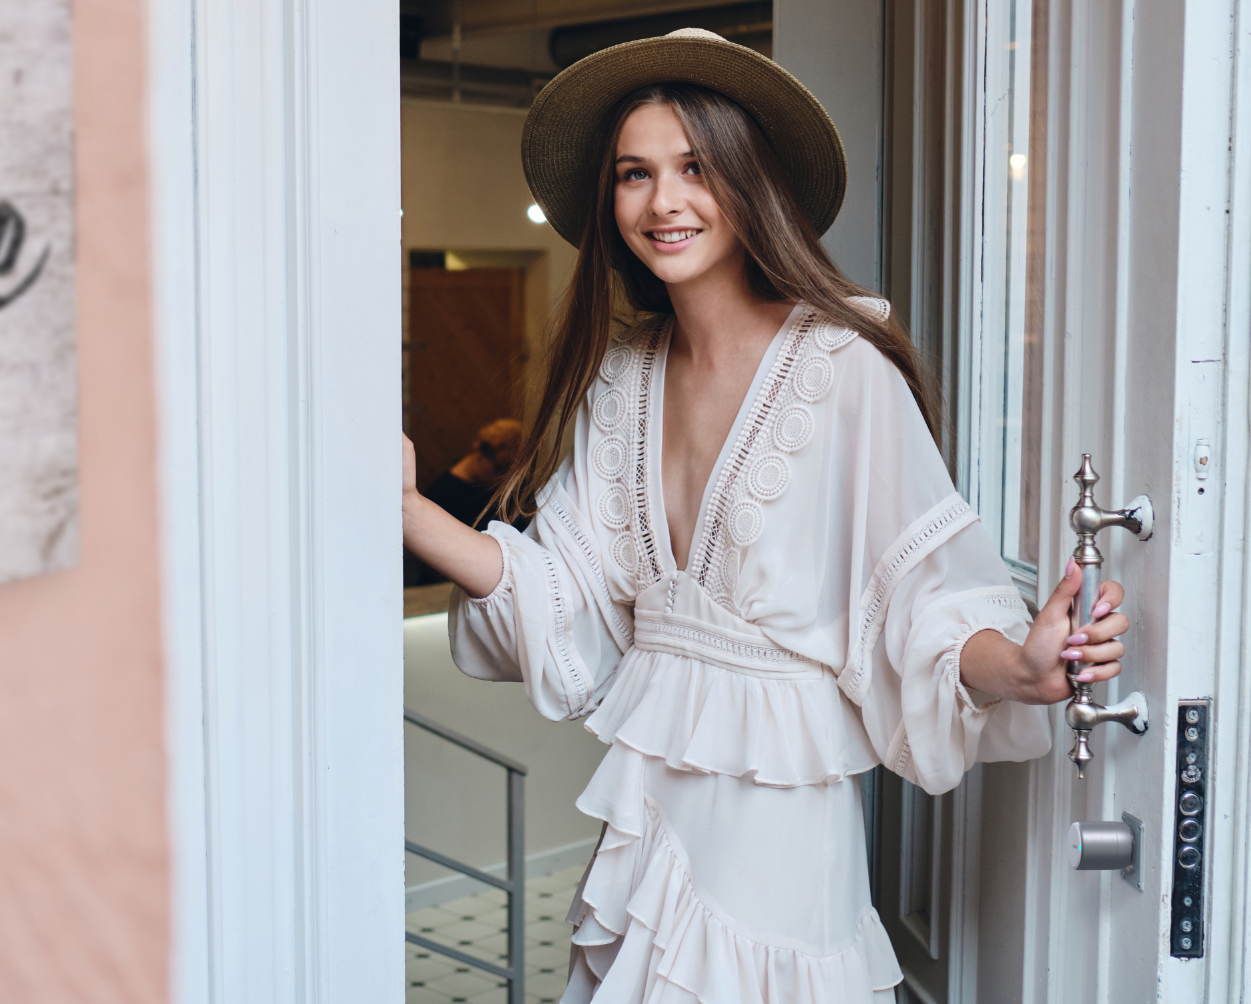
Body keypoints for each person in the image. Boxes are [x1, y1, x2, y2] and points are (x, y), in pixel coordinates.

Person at [399, 29, 1129, 1003]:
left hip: (785, 832)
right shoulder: (622, 382)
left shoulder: (843, 373)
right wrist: (406, 508)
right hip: (648, 819)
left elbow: (919, 607)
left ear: (751, 183)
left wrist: (1022, 665)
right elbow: (560, 583)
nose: (663, 201)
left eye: (695, 167)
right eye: (634, 173)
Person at [406, 418, 528, 586]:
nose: (503, 480)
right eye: (500, 472)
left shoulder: (500, 488)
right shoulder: (442, 494)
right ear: (482, 456)